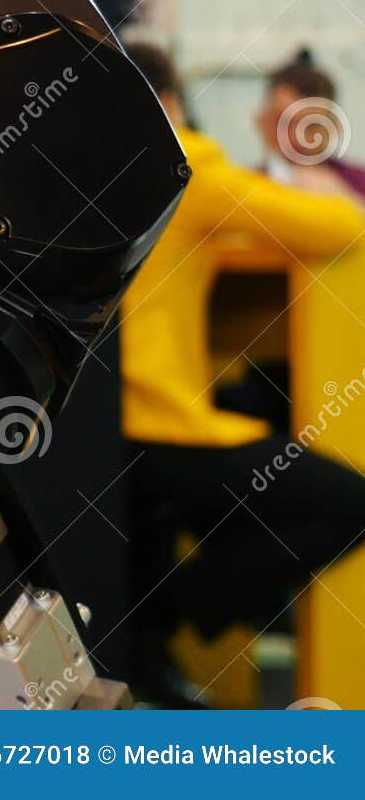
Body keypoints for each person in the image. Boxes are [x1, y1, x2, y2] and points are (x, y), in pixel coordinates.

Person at [121, 43, 365, 699]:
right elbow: (341, 228)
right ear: (171, 105)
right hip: (157, 426)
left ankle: (142, 634)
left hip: (82, 435)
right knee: (349, 503)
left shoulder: (63, 173)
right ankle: (164, 614)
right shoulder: (184, 164)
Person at [255, 52, 365, 201]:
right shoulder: (241, 193)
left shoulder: (359, 185)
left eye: (312, 126)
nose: (295, 139)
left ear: (333, 127)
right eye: (283, 123)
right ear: (263, 122)